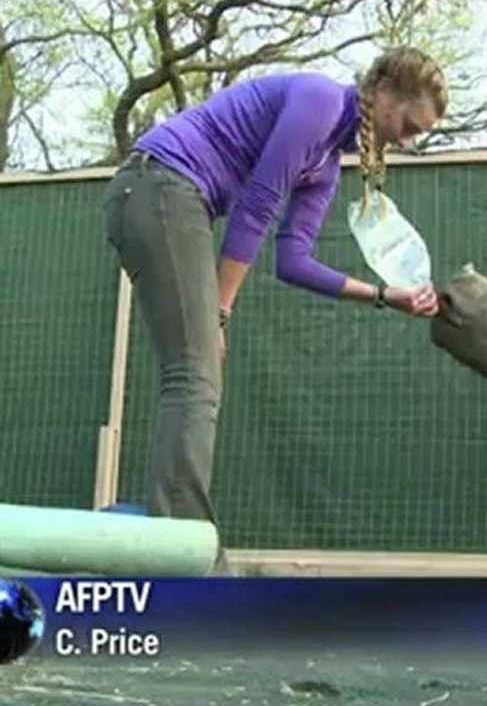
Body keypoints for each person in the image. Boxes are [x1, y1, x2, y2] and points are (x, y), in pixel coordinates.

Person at [101, 47, 447, 574]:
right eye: (408, 125)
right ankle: (185, 559)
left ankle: (179, 549)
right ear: (382, 93)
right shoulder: (319, 101)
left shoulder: (325, 165)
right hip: (158, 184)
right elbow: (257, 204)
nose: (407, 141)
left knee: (195, 375)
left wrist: (385, 295)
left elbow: (294, 261)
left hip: (170, 198)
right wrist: (220, 310)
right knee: (195, 375)